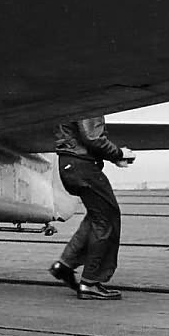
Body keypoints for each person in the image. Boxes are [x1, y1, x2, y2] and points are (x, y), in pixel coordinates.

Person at [48, 117, 134, 301]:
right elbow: (92, 137)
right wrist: (118, 153)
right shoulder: (87, 98)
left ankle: (65, 265)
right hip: (82, 166)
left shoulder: (66, 96)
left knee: (98, 215)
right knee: (107, 219)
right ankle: (90, 282)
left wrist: (114, 157)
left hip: (68, 164)